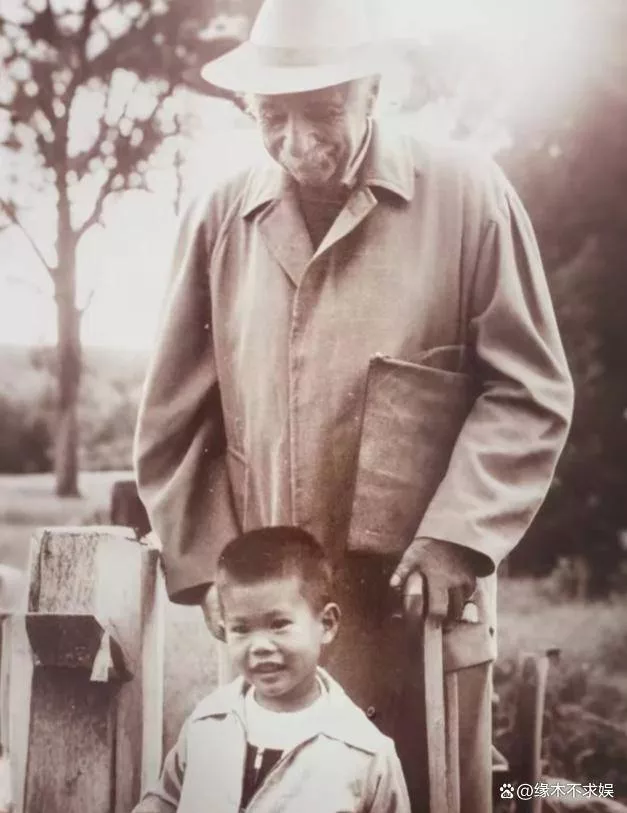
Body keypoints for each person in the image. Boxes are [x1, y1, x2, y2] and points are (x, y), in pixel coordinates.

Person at [133, 0, 574, 809]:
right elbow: (173, 423)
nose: (297, 142)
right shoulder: (218, 215)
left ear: (373, 90)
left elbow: (527, 390)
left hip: (419, 613)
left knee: (434, 790)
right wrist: (220, 577)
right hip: (278, 623)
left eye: (322, 111)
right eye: (272, 116)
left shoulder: (467, 194)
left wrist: (458, 536)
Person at [131, 527, 411, 813]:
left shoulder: (364, 751)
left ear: (326, 624)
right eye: (241, 629)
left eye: (279, 625)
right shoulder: (208, 721)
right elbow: (164, 801)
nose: (260, 646)